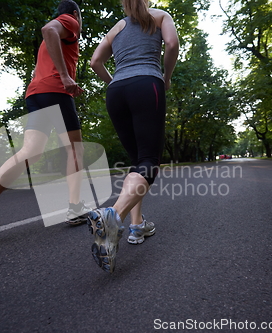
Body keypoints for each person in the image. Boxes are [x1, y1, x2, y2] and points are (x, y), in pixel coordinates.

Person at [0, 0, 90, 246]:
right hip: (56, 91)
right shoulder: (69, 22)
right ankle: (75, 207)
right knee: (75, 150)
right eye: (79, 18)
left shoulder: (53, 41)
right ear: (73, 14)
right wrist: (65, 75)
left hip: (36, 93)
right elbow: (48, 29)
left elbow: (49, 35)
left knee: (31, 152)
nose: (79, 25)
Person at [88, 0, 179, 273]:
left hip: (116, 91)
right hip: (146, 84)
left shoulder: (117, 26)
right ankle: (113, 217)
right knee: (149, 161)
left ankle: (137, 226)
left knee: (137, 162)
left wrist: (114, 82)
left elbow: (95, 62)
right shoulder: (160, 15)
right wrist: (166, 76)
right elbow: (172, 46)